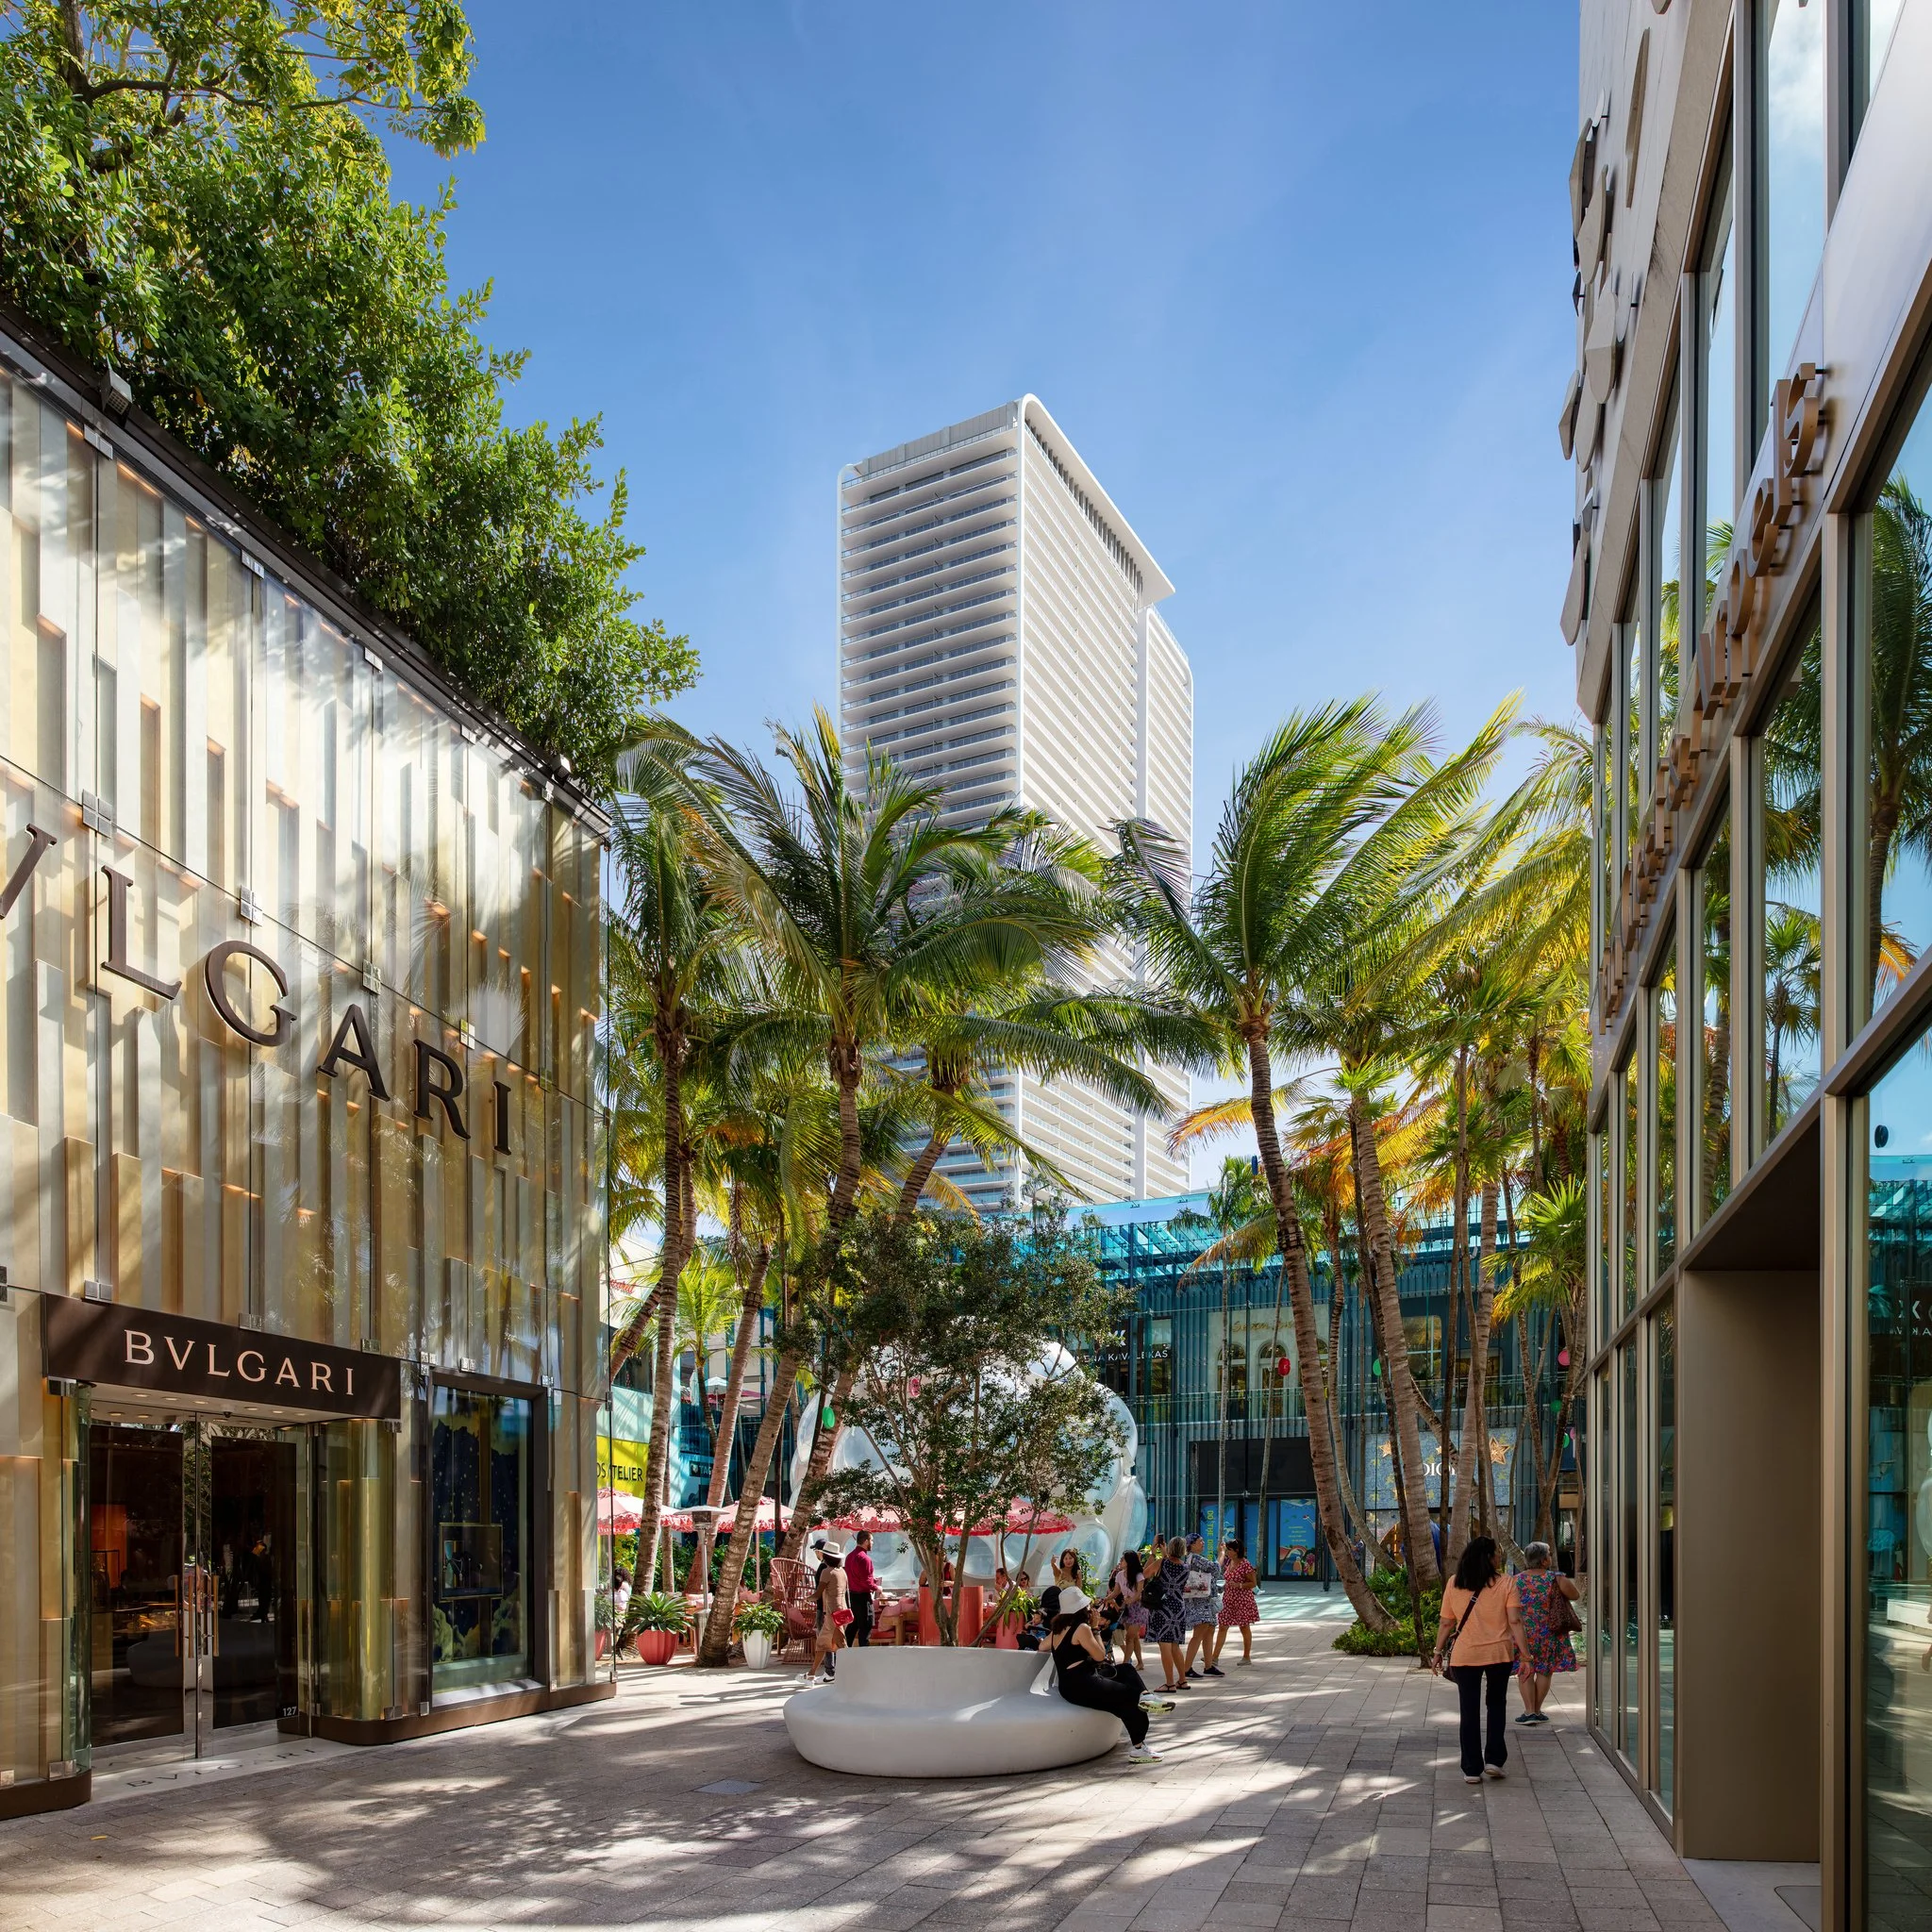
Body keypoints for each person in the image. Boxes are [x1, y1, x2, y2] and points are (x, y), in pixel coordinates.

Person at [1433, 1535, 1527, 1784]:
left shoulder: (1455, 1583)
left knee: (1469, 1710)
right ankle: (1494, 1760)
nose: (1499, 1556)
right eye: (1496, 1552)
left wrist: (1437, 1652)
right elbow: (1515, 1621)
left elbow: (1446, 1622)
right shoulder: (1507, 1583)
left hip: (1466, 1654)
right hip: (1499, 1653)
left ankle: (1472, 1769)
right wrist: (1526, 1656)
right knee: (1496, 1705)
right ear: (1488, 1557)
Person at [1047, 1587, 1167, 1765]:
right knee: (1129, 1698)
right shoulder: (1082, 1628)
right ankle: (1139, 1747)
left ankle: (1146, 1696)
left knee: (1126, 1669)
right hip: (1083, 1683)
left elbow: (1042, 1646)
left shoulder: (1058, 1629)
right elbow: (1100, 1656)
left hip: (1071, 1684)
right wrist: (1095, 1628)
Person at [1512, 1540, 1579, 1724]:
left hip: (1524, 1633)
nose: (1551, 1557)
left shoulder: (1516, 1580)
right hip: (1549, 1632)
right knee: (1544, 1671)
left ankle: (1529, 1712)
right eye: (1549, 1554)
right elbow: (1575, 1595)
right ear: (1543, 1561)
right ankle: (1537, 1710)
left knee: (1525, 1669)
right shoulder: (1556, 1579)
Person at [1145, 1537, 1191, 1691]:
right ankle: (1182, 1680)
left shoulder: (1162, 1562)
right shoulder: (1186, 1567)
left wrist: (1153, 1553)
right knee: (1175, 1646)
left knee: (1164, 1646)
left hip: (1162, 1606)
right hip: (1178, 1607)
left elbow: (1145, 1574)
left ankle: (1170, 1683)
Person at [805, 1547, 850, 1686]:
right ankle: (812, 1675)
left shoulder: (826, 1572)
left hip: (833, 1613)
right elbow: (846, 1593)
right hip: (843, 1611)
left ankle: (850, 1673)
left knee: (838, 1645)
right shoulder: (842, 1572)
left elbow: (818, 1594)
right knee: (826, 1644)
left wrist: (807, 1599)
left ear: (826, 1557)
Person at [1210, 1538, 1258, 1667]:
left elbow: (1253, 1583)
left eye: (1229, 1550)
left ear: (1236, 1551)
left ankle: (1246, 1656)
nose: (1227, 1552)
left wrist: (1239, 1585)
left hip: (1243, 1600)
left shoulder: (1245, 1564)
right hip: (1228, 1599)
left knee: (1244, 1627)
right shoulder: (1229, 1562)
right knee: (1222, 1626)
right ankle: (1214, 1657)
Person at [1179, 1534, 1221, 1678]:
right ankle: (1186, 1668)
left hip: (1203, 1599)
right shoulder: (1195, 1558)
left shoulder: (1190, 1558)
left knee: (1209, 1630)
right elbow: (1215, 1569)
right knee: (1199, 1633)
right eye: (1199, 1541)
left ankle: (1208, 1666)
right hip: (1198, 1601)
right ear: (1191, 1545)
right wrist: (1221, 1555)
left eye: (1203, 1541)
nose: (1203, 1543)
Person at [1112, 1547, 1147, 1671]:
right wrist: (1106, 1599)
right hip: (1127, 1608)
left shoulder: (1138, 1575)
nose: (1120, 1561)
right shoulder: (1119, 1575)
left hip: (1138, 1607)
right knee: (1134, 1637)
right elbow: (1116, 1591)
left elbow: (1139, 1593)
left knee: (1130, 1637)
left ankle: (1126, 1663)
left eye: (1123, 1559)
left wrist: (1130, 1600)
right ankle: (1140, 1663)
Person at [845, 1530, 876, 1649]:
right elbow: (867, 1582)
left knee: (852, 1628)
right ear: (866, 1541)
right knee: (866, 1627)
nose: (873, 1543)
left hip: (852, 1596)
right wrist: (877, 1587)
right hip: (863, 1597)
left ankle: (844, 1653)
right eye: (871, 1540)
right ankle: (864, 1657)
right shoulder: (864, 1559)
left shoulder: (849, 1557)